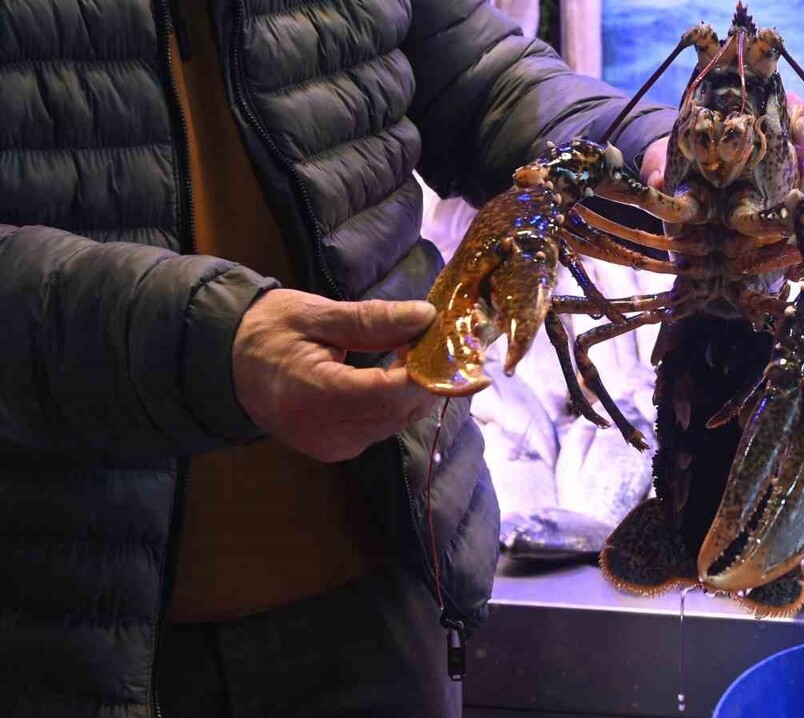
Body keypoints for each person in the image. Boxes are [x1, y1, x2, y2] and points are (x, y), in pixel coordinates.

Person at [0, 1, 673, 716]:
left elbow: (474, 75)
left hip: (382, 591)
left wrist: (646, 143)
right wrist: (211, 343)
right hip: (60, 633)